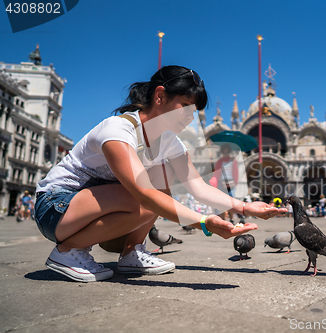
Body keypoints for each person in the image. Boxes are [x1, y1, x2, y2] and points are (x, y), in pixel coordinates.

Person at [34, 65, 286, 282]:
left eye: (194, 111)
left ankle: (132, 253)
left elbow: (198, 187)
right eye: (185, 106)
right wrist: (202, 223)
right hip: (55, 207)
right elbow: (144, 194)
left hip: (89, 210)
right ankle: (67, 252)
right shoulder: (118, 130)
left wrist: (246, 207)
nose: (190, 117)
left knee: (164, 175)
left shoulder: (169, 143)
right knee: (147, 193)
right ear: (160, 95)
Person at [212, 143, 239, 222]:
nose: (225, 154)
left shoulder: (233, 161)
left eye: (227, 152)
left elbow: (236, 173)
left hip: (231, 183)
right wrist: (215, 183)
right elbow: (216, 174)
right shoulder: (219, 162)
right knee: (222, 202)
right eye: (224, 152)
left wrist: (235, 183)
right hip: (222, 183)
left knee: (231, 202)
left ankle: (231, 218)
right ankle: (223, 218)